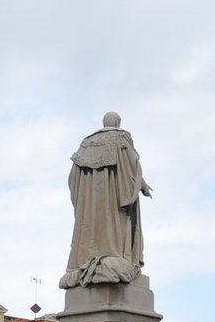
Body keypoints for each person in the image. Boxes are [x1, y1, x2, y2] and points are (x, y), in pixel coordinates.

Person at [59, 111, 153, 288]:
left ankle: (90, 258)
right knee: (114, 223)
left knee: (92, 226)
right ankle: (114, 256)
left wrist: (84, 196)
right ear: (117, 122)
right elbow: (132, 167)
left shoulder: (85, 144)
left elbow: (73, 177)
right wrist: (142, 185)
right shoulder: (121, 138)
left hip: (90, 202)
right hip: (114, 198)